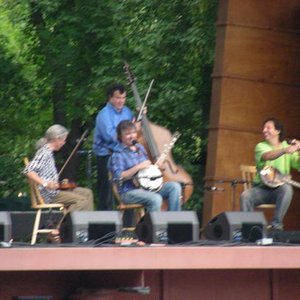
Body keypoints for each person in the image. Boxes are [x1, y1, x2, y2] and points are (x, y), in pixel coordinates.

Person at [109, 120, 182, 214]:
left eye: (133, 132)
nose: (132, 136)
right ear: (120, 136)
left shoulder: (140, 148)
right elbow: (119, 176)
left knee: (174, 187)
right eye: (127, 134)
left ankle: (175, 223)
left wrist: (155, 167)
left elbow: (146, 171)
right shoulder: (118, 153)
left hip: (147, 188)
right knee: (156, 199)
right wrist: (138, 167)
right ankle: (153, 227)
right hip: (129, 191)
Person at [240, 117, 300, 231]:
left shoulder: (286, 146)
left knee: (287, 188)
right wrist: (284, 150)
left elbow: (298, 165)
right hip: (261, 190)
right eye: (264, 128)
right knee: (245, 195)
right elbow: (267, 156)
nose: (264, 130)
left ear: (278, 131)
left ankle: (276, 226)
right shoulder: (260, 146)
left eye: (268, 128)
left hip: (278, 191)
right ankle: (249, 230)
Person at [23, 124, 94, 212]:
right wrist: (45, 184)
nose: (63, 143)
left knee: (87, 193)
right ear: (57, 139)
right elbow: (28, 170)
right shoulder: (44, 153)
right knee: (81, 200)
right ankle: (65, 224)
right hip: (49, 195)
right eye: (63, 140)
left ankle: (87, 223)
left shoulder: (49, 153)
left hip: (54, 191)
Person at [93, 83, 135, 210]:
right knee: (106, 194)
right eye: (118, 98)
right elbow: (110, 136)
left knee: (129, 189)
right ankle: (104, 226)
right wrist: (127, 136)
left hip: (124, 155)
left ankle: (128, 226)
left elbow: (134, 132)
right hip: (107, 156)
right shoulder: (103, 114)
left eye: (123, 98)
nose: (121, 101)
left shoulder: (128, 112)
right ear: (110, 98)